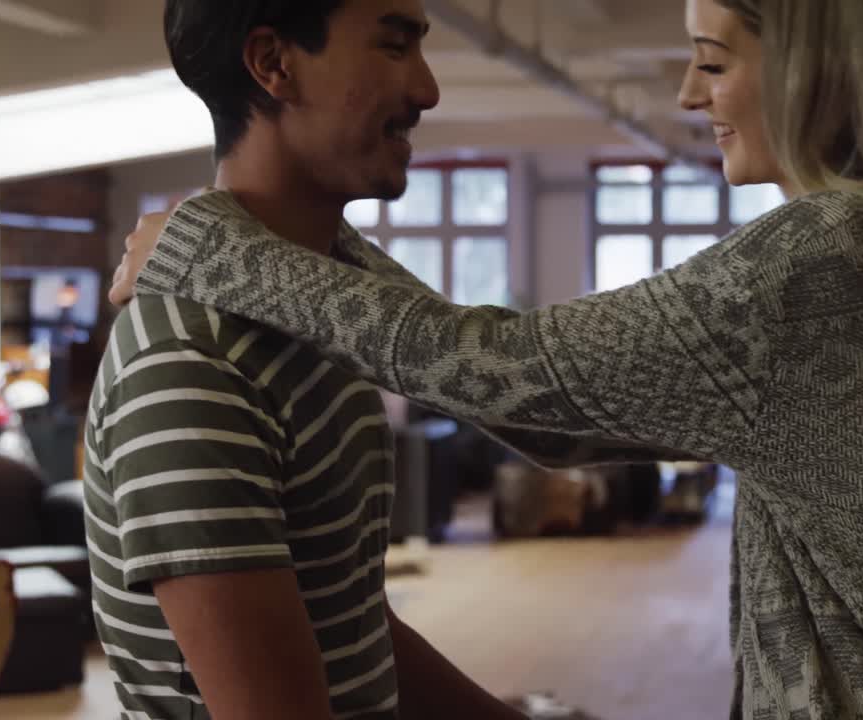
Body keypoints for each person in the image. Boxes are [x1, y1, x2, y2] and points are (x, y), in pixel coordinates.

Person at [113, 0, 863, 717]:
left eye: (713, 61)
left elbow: (519, 385)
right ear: (273, 64)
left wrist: (224, 249)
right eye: (396, 43)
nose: (688, 93)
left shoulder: (843, 252)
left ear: (820, 62)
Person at [84, 1, 542, 718]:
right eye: (394, 48)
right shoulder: (190, 360)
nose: (427, 90)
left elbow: (354, 625)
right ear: (273, 64)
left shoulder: (323, 314)